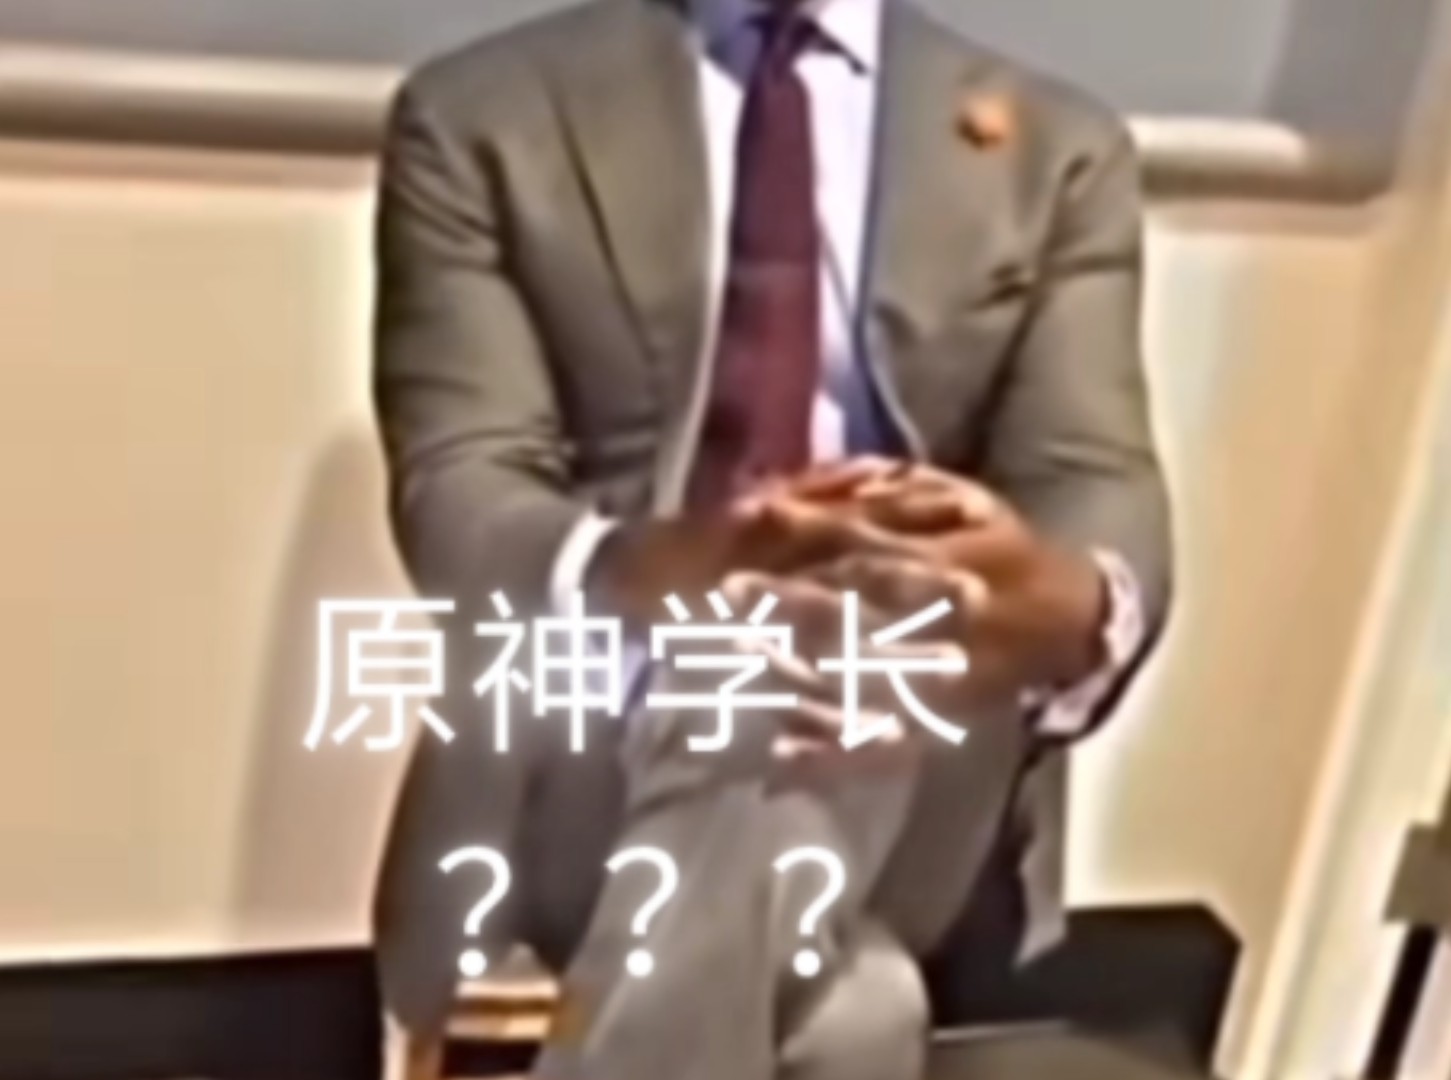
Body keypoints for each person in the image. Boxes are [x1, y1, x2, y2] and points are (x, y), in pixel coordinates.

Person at [369, 0, 1172, 1076]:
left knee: (838, 659)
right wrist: (671, 573)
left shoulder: (1058, 150)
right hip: (593, 752)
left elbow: (1097, 488)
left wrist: (1053, 604)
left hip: (907, 753)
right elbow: (462, 494)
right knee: (860, 1009)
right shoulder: (489, 114)